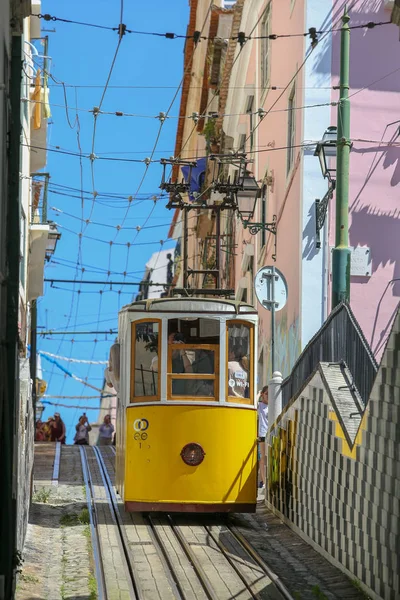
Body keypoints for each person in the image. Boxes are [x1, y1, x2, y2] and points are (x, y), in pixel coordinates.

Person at [257, 386, 269, 490]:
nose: (268, 396)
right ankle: (263, 481)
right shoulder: (260, 405)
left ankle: (266, 480)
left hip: (272, 434)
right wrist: (258, 394)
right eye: (266, 394)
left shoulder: (273, 406)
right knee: (263, 459)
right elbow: (253, 403)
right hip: (263, 434)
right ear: (263, 395)